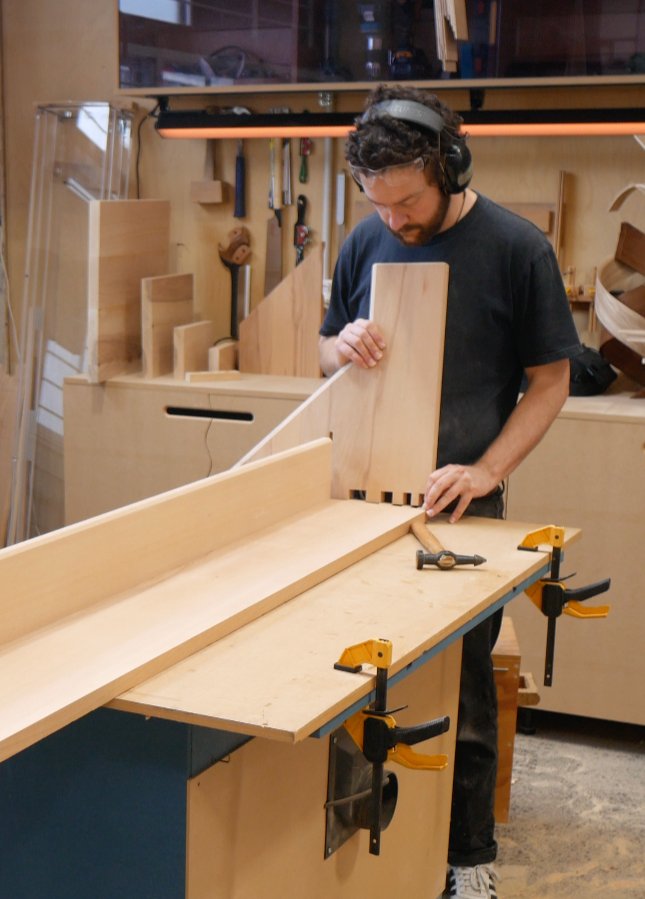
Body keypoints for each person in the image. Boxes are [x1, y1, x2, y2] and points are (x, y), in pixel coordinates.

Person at [319, 85, 581, 899]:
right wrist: (340, 343)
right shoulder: (365, 239)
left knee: (463, 690)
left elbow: (549, 381)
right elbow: (324, 353)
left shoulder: (515, 248)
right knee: (358, 677)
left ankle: (468, 859)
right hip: (364, 497)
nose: (391, 219)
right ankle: (367, 850)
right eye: (378, 202)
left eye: (407, 202)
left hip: (461, 505)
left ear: (449, 168)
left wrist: (486, 470)